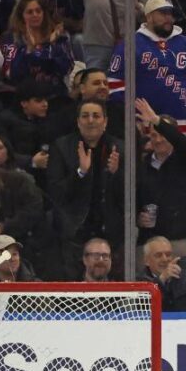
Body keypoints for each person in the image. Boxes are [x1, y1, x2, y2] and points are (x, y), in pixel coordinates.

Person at [108, 0, 186, 142]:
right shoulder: (130, 44)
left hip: (185, 121)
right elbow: (114, 84)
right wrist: (131, 118)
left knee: (184, 164)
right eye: (162, 13)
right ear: (148, 17)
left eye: (170, 13)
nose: (168, 18)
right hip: (145, 124)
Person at [46, 99, 124, 281]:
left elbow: (130, 194)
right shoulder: (61, 147)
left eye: (96, 116)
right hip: (75, 231)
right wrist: (81, 172)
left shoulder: (120, 148)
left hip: (111, 231)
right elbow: (56, 192)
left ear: (105, 122)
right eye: (85, 116)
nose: (90, 120)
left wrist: (116, 174)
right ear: (78, 121)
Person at [136, 97, 186, 259]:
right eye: (154, 135)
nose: (158, 139)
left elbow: (183, 144)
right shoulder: (142, 164)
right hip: (150, 240)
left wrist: (156, 120)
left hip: (180, 238)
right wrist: (138, 216)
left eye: (163, 134)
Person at [1, 0, 76, 100]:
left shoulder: (59, 36)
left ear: (44, 13)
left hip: (54, 92)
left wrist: (50, 45)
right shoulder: (11, 38)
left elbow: (66, 67)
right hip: (23, 94)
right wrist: (30, 50)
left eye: (38, 11)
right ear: (21, 15)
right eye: (30, 12)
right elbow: (12, 73)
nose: (35, 15)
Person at [140, 236, 186, 312]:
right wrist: (161, 280)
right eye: (158, 255)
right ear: (146, 261)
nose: (165, 259)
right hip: (155, 323)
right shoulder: (140, 281)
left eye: (168, 254)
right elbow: (143, 307)